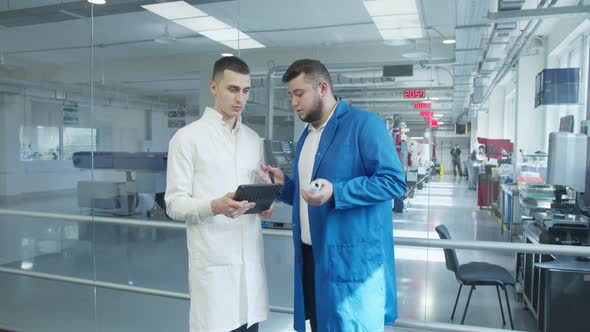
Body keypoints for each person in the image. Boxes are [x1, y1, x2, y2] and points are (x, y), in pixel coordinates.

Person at [259, 59, 407, 332]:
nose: (293, 102)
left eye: (299, 93)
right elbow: (312, 196)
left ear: (323, 87)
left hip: (350, 261)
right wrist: (284, 185)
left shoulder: (364, 124)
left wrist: (338, 191)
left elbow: (394, 182)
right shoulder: (307, 136)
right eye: (290, 95)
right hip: (312, 258)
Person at [165, 56, 271, 332]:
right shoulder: (187, 138)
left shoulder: (252, 140)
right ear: (214, 87)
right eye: (232, 89)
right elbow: (174, 204)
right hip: (214, 268)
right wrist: (214, 205)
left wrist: (264, 204)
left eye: (246, 90)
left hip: (250, 269)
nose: (240, 98)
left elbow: (252, 197)